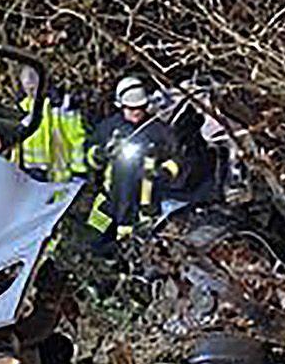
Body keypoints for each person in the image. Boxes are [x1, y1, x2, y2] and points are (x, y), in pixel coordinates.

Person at [83, 74, 182, 246]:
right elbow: (89, 156)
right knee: (93, 243)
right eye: (131, 108)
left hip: (144, 208)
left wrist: (164, 172)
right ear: (120, 106)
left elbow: (178, 160)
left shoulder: (158, 131)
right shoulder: (109, 128)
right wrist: (100, 154)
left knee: (136, 251)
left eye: (140, 107)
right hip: (109, 202)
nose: (136, 112)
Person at [12, 63, 88, 182]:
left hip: (59, 175)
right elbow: (16, 147)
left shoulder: (60, 105)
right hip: (30, 174)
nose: (31, 92)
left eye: (33, 87)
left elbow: (76, 139)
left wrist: (79, 171)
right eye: (28, 88)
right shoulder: (21, 108)